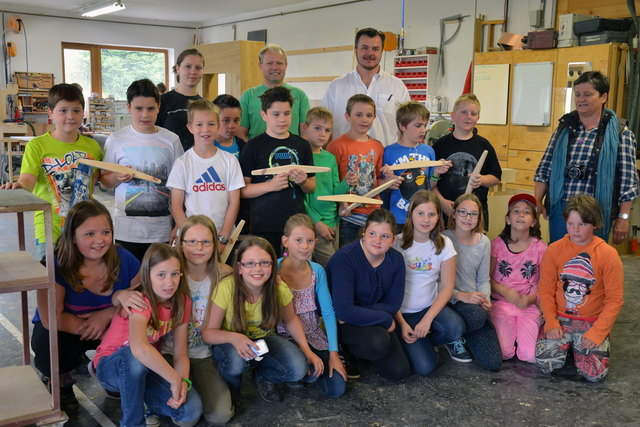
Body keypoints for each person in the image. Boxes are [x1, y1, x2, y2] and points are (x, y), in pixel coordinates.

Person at [30, 199, 143, 414]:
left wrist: (106, 315)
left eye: (105, 232)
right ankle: (60, 381)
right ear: (72, 236)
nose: (99, 240)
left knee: (137, 332)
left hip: (108, 325)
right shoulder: (56, 265)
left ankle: (111, 377)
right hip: (67, 330)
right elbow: (51, 319)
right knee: (49, 342)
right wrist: (97, 322)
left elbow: (141, 300)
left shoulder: (125, 259)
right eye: (89, 234)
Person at [92, 243, 202, 426]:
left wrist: (182, 384)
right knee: (134, 358)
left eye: (175, 274)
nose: (169, 282)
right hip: (110, 366)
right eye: (161, 275)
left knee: (190, 411)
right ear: (147, 276)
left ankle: (141, 396)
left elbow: (181, 353)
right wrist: (174, 378)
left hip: (145, 367)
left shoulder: (182, 301)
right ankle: (133, 423)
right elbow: (139, 349)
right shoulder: (141, 301)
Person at [201, 236, 322, 403]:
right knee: (236, 363)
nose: (257, 269)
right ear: (239, 267)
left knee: (299, 368)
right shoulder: (226, 287)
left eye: (264, 263)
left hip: (263, 340)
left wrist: (307, 351)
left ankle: (263, 375)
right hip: (230, 342)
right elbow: (208, 333)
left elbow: (291, 320)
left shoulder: (278, 288)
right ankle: (232, 386)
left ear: (273, 266)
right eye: (250, 263)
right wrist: (235, 338)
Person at [533, 71, 638, 244]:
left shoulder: (621, 134)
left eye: (588, 94)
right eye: (578, 94)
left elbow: (628, 182)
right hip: (561, 212)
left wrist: (624, 218)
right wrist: (536, 201)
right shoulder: (564, 128)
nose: (581, 99)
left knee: (590, 266)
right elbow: (544, 169)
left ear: (603, 97)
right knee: (559, 261)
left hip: (595, 214)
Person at [2, 83, 103, 260]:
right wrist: (19, 186)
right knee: (50, 275)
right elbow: (27, 180)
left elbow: (95, 183)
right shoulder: (37, 145)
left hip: (85, 224)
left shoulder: (93, 147)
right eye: (63, 110)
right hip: (49, 224)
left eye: (76, 110)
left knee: (83, 275)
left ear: (83, 114)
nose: (70, 116)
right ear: (51, 113)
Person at [535, 195, 624, 382]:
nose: (575, 230)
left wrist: (598, 332)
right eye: (570, 223)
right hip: (560, 318)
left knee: (594, 375)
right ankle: (571, 348)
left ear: (595, 224)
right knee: (545, 364)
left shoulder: (608, 255)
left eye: (582, 224)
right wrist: (550, 321)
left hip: (592, 320)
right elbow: (545, 290)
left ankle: (579, 346)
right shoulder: (554, 249)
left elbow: (614, 300)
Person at [158, 216, 233, 424]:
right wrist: (120, 295)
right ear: (181, 244)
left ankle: (202, 389)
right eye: (191, 241)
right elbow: (138, 287)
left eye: (206, 242)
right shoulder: (170, 274)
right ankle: (153, 399)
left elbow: (249, 275)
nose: (198, 247)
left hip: (201, 354)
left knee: (221, 416)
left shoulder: (222, 274)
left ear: (215, 245)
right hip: (167, 353)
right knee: (186, 418)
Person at [101, 78, 184, 261]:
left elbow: (180, 184)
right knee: (130, 280)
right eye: (139, 109)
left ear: (159, 107)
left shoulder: (172, 140)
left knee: (160, 281)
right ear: (129, 107)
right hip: (127, 230)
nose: (145, 115)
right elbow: (104, 182)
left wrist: (179, 223)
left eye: (151, 109)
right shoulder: (116, 139)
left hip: (162, 229)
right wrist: (117, 177)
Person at [326, 209, 411, 381]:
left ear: (393, 239)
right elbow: (343, 312)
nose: (377, 241)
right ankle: (347, 350)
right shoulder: (345, 259)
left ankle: (365, 353)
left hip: (365, 317)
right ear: (364, 233)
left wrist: (356, 311)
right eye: (372, 233)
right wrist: (386, 319)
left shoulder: (396, 260)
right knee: (378, 342)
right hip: (342, 324)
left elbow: (393, 304)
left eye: (385, 236)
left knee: (399, 371)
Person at [392, 190, 465, 375]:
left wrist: (427, 320)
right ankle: (414, 342)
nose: (426, 220)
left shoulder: (444, 243)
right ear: (411, 215)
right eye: (420, 213)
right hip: (402, 314)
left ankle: (427, 338)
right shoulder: (396, 244)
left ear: (438, 217)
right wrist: (401, 324)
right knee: (425, 368)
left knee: (456, 327)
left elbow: (447, 287)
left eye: (431, 214)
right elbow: (388, 290)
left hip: (428, 308)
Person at [277, 214, 347, 397]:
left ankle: (306, 370)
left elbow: (328, 313)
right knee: (301, 368)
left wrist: (333, 353)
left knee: (337, 388)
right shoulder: (274, 270)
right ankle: (293, 372)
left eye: (309, 241)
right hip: (285, 338)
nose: (304, 246)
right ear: (285, 241)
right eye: (298, 240)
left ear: (316, 241)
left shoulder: (317, 270)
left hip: (313, 335)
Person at [239, 86, 315, 253]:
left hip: (296, 225)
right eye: (276, 114)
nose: (282, 119)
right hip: (264, 224)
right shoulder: (253, 146)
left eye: (287, 113)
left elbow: (311, 187)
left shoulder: (302, 145)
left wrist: (303, 182)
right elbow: (243, 190)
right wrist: (270, 186)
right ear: (264, 115)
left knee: (293, 269)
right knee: (268, 268)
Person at [167, 99, 245, 252]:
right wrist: (191, 238)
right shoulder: (182, 163)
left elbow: (234, 202)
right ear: (190, 127)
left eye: (211, 124)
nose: (206, 129)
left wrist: (222, 237)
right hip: (192, 240)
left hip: (223, 237)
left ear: (217, 126)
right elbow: (176, 206)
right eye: (199, 124)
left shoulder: (230, 161)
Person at [443, 194, 502, 370]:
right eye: (463, 212)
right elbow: (436, 283)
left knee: (493, 362)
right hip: (449, 299)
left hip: (473, 303)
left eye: (473, 214)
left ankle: (469, 330)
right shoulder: (443, 239)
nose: (468, 218)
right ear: (453, 214)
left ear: (479, 217)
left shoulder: (483, 241)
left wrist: (485, 299)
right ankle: (453, 336)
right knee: (475, 316)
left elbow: (483, 278)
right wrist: (461, 296)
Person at [322, 27, 410, 146]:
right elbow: (325, 126)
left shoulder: (397, 87)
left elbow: (407, 126)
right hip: (344, 159)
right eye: (364, 48)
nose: (370, 53)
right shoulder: (336, 87)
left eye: (375, 49)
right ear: (355, 50)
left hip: (385, 160)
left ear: (381, 52)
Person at [490, 193, 546, 363]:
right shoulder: (497, 244)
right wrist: (506, 292)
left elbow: (545, 284)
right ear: (508, 219)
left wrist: (531, 299)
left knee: (530, 356)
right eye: (516, 211)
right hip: (502, 304)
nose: (521, 214)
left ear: (534, 222)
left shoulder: (541, 248)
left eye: (527, 212)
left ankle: (535, 327)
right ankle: (508, 332)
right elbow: (487, 278)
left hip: (528, 306)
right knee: (504, 353)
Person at [326, 94, 387, 246]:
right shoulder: (336, 145)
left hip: (373, 215)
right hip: (348, 215)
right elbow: (331, 182)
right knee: (347, 256)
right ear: (347, 116)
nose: (364, 119)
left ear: (374, 117)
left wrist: (389, 181)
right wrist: (341, 203)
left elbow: (378, 179)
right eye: (358, 115)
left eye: (369, 115)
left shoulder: (378, 146)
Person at [432, 93, 501, 226]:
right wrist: (442, 202)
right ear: (453, 116)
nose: (469, 117)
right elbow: (430, 182)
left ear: (478, 118)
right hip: (446, 212)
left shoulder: (484, 145)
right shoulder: (440, 145)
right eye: (464, 112)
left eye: (473, 114)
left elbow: (496, 176)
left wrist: (482, 180)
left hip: (474, 216)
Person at [383, 101, 451, 232]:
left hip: (423, 217)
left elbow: (430, 186)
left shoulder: (428, 151)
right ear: (402, 126)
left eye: (425, 125)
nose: (423, 130)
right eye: (418, 125)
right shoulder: (389, 152)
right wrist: (388, 181)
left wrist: (436, 173)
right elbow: (384, 190)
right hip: (399, 218)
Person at [302, 106, 356, 266]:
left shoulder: (330, 158)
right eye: (317, 128)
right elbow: (301, 199)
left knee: (331, 269)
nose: (322, 134)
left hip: (334, 222)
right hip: (315, 225)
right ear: (306, 128)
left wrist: (346, 182)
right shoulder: (301, 157)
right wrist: (317, 223)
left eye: (327, 130)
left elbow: (335, 192)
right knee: (335, 266)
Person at [238, 44, 310, 140]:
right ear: (260, 66)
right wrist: (253, 152)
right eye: (269, 63)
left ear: (286, 66)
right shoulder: (248, 96)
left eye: (279, 63)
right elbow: (240, 133)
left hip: (291, 153)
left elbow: (305, 133)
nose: (275, 67)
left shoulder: (300, 95)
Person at [156, 48, 204, 151]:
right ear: (177, 68)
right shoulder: (162, 102)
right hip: (168, 163)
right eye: (188, 66)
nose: (193, 72)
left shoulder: (205, 106)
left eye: (198, 68)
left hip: (196, 164)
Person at [213, 94, 246, 159]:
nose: (231, 126)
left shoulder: (244, 147)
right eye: (226, 121)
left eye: (236, 120)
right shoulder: (203, 147)